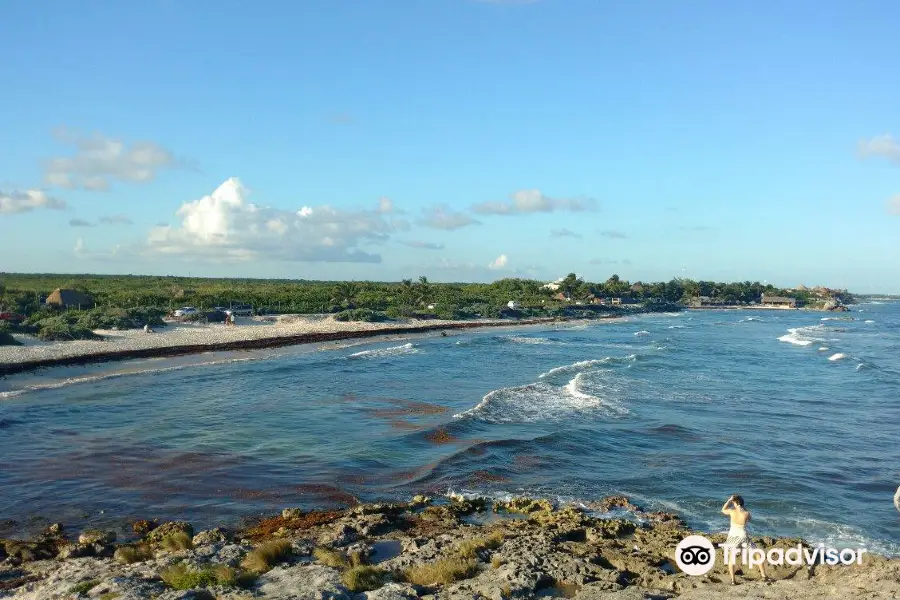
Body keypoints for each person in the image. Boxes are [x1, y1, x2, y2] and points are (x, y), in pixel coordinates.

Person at [721, 494, 770, 585]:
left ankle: (733, 580)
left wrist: (729, 500)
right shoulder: (746, 513)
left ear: (734, 503)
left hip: (732, 536)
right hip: (743, 536)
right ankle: (764, 576)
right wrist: (743, 508)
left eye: (733, 502)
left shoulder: (732, 511)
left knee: (732, 557)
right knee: (757, 553)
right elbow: (750, 519)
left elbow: (723, 509)